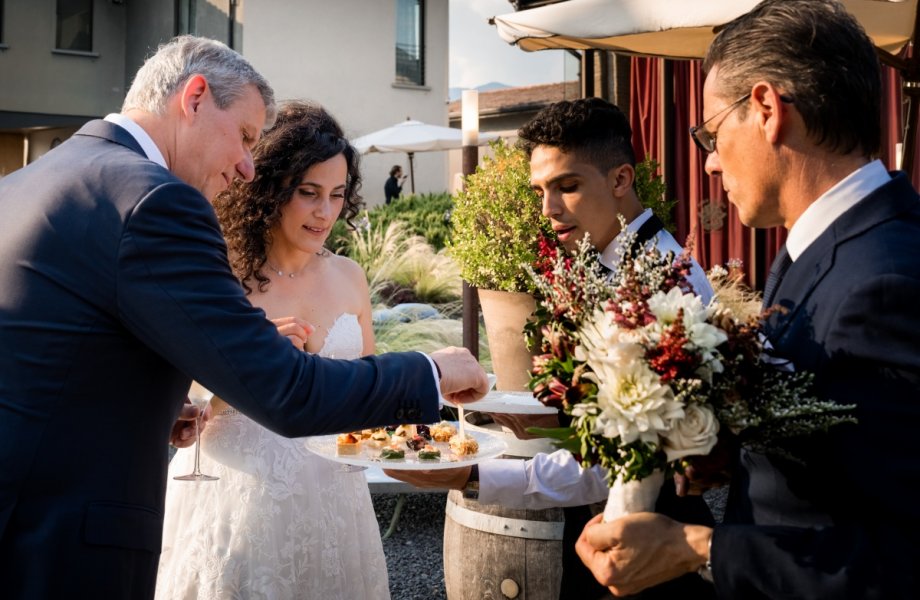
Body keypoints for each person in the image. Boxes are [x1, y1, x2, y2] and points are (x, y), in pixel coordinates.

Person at [0, 35, 487, 600]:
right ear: (196, 97)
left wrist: (154, 408)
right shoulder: (154, 200)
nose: (247, 165)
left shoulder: (26, 184)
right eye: (246, 137)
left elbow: (57, 357)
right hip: (61, 546)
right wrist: (430, 371)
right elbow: (284, 390)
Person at [576, 1, 920, 598]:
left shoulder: (887, 283)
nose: (708, 162)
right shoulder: (813, 249)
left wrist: (698, 550)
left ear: (765, 109)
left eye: (711, 133)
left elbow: (905, 557)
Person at [389, 98, 715, 600]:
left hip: (653, 545)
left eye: (568, 186)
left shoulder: (666, 288)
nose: (548, 209)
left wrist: (475, 476)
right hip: (593, 534)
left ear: (621, 179)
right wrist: (555, 418)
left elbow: (617, 464)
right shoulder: (601, 262)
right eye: (540, 190)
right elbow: (609, 421)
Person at [156, 102, 390, 599]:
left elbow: (367, 395)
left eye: (336, 195)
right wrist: (256, 362)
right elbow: (186, 410)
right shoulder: (221, 278)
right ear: (270, 191)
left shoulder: (350, 278)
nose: (325, 212)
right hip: (235, 502)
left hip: (333, 503)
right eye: (308, 194)